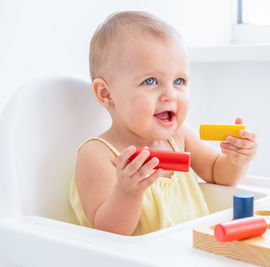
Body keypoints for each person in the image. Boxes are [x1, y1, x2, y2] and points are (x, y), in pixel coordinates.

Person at [69, 11, 258, 236]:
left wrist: (236, 159)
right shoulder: (98, 155)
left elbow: (219, 175)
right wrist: (127, 192)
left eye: (179, 81)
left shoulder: (180, 137)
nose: (171, 95)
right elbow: (109, 232)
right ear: (106, 93)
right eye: (151, 81)